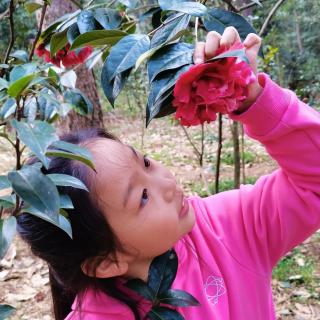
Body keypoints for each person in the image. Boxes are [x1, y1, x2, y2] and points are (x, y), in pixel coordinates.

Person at [17, 27, 320, 320]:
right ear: (106, 262)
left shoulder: (225, 230)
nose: (167, 181)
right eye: (144, 197)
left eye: (146, 163)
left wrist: (252, 99)